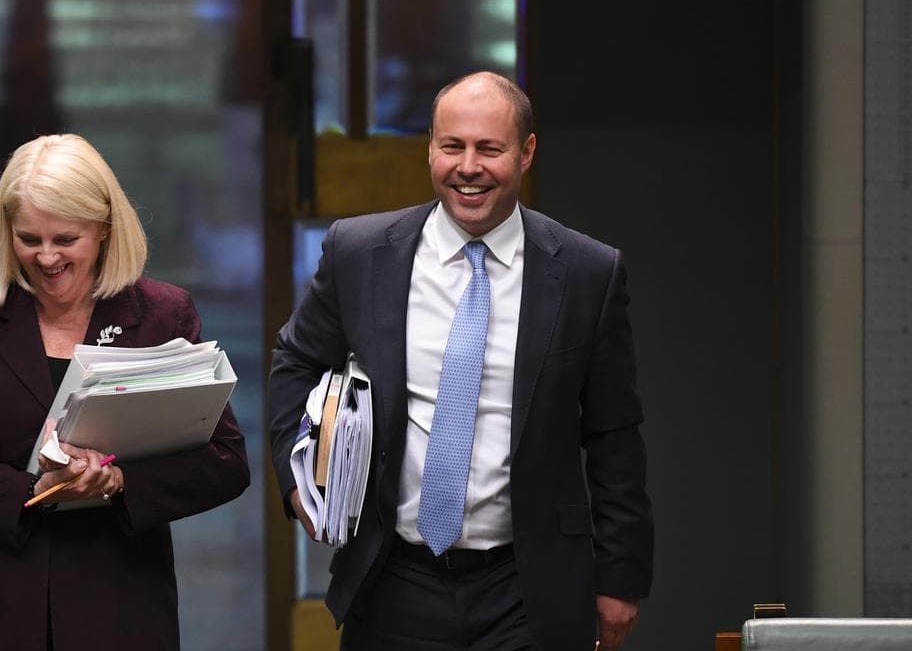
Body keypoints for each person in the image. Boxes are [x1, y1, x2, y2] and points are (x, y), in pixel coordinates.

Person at [269, 72, 653, 650]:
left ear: (525, 153)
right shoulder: (360, 253)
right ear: (430, 148)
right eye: (452, 146)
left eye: (489, 149)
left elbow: (614, 435)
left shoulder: (586, 273)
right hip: (393, 578)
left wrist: (620, 577)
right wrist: (300, 481)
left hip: (528, 587)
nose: (467, 167)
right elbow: (295, 360)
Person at [0, 133, 250, 650]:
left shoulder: (162, 315)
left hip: (116, 603)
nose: (46, 257)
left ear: (104, 228)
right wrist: (33, 494)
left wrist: (120, 481)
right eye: (28, 239)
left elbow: (225, 463)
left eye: (65, 239)